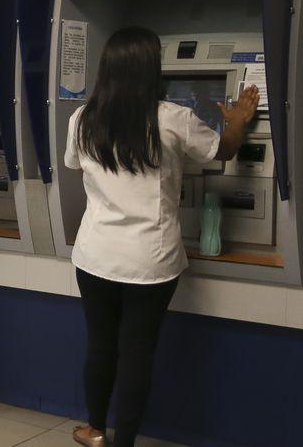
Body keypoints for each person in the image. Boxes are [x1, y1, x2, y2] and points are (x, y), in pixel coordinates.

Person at [64, 27, 259, 447]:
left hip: (95, 254)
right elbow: (223, 151)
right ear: (151, 68)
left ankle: (94, 429)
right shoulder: (174, 118)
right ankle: (125, 441)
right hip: (150, 260)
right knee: (137, 353)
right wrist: (239, 122)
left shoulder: (82, 118)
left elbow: (77, 167)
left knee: (100, 345)